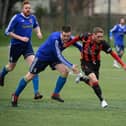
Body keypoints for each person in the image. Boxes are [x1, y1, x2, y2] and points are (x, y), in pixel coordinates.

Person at [11, 25, 83, 107]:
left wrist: (83, 54)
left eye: (68, 36)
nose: (66, 38)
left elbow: (80, 46)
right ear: (61, 33)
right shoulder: (54, 39)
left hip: (53, 58)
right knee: (30, 76)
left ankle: (55, 94)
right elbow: (59, 55)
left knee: (65, 72)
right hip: (42, 57)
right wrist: (71, 65)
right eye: (64, 35)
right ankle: (15, 95)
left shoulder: (70, 38)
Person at [64, 27, 126, 108]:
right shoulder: (85, 36)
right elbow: (75, 39)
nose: (100, 38)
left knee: (94, 84)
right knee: (94, 80)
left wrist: (123, 64)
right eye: (98, 37)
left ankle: (82, 78)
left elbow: (113, 54)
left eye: (101, 37)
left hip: (96, 63)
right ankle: (102, 100)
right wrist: (65, 46)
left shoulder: (103, 44)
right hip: (85, 62)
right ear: (93, 35)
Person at [0, 0, 43, 99]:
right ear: (22, 9)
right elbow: (7, 32)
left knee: (34, 67)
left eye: (29, 8)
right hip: (15, 46)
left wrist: (38, 33)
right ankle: (1, 75)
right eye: (26, 8)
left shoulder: (33, 18)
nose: (28, 10)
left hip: (27, 46)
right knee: (11, 67)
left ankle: (36, 92)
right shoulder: (16, 18)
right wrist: (21, 38)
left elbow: (36, 26)